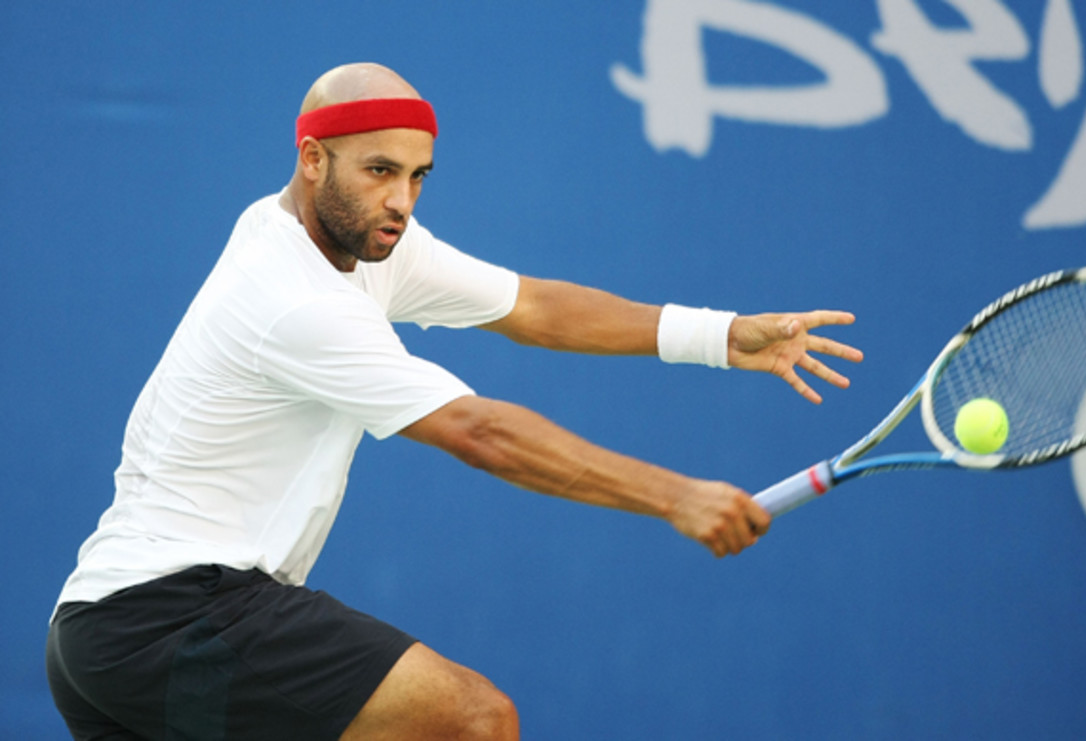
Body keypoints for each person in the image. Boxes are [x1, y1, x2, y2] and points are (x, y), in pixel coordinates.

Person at [45, 62, 863, 740]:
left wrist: (720, 334)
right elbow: (481, 431)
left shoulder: (354, 239)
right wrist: (677, 496)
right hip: (173, 615)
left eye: (416, 176)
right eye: (380, 172)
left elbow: (534, 308)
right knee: (474, 720)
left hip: (107, 634)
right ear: (312, 158)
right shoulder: (290, 296)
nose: (402, 199)